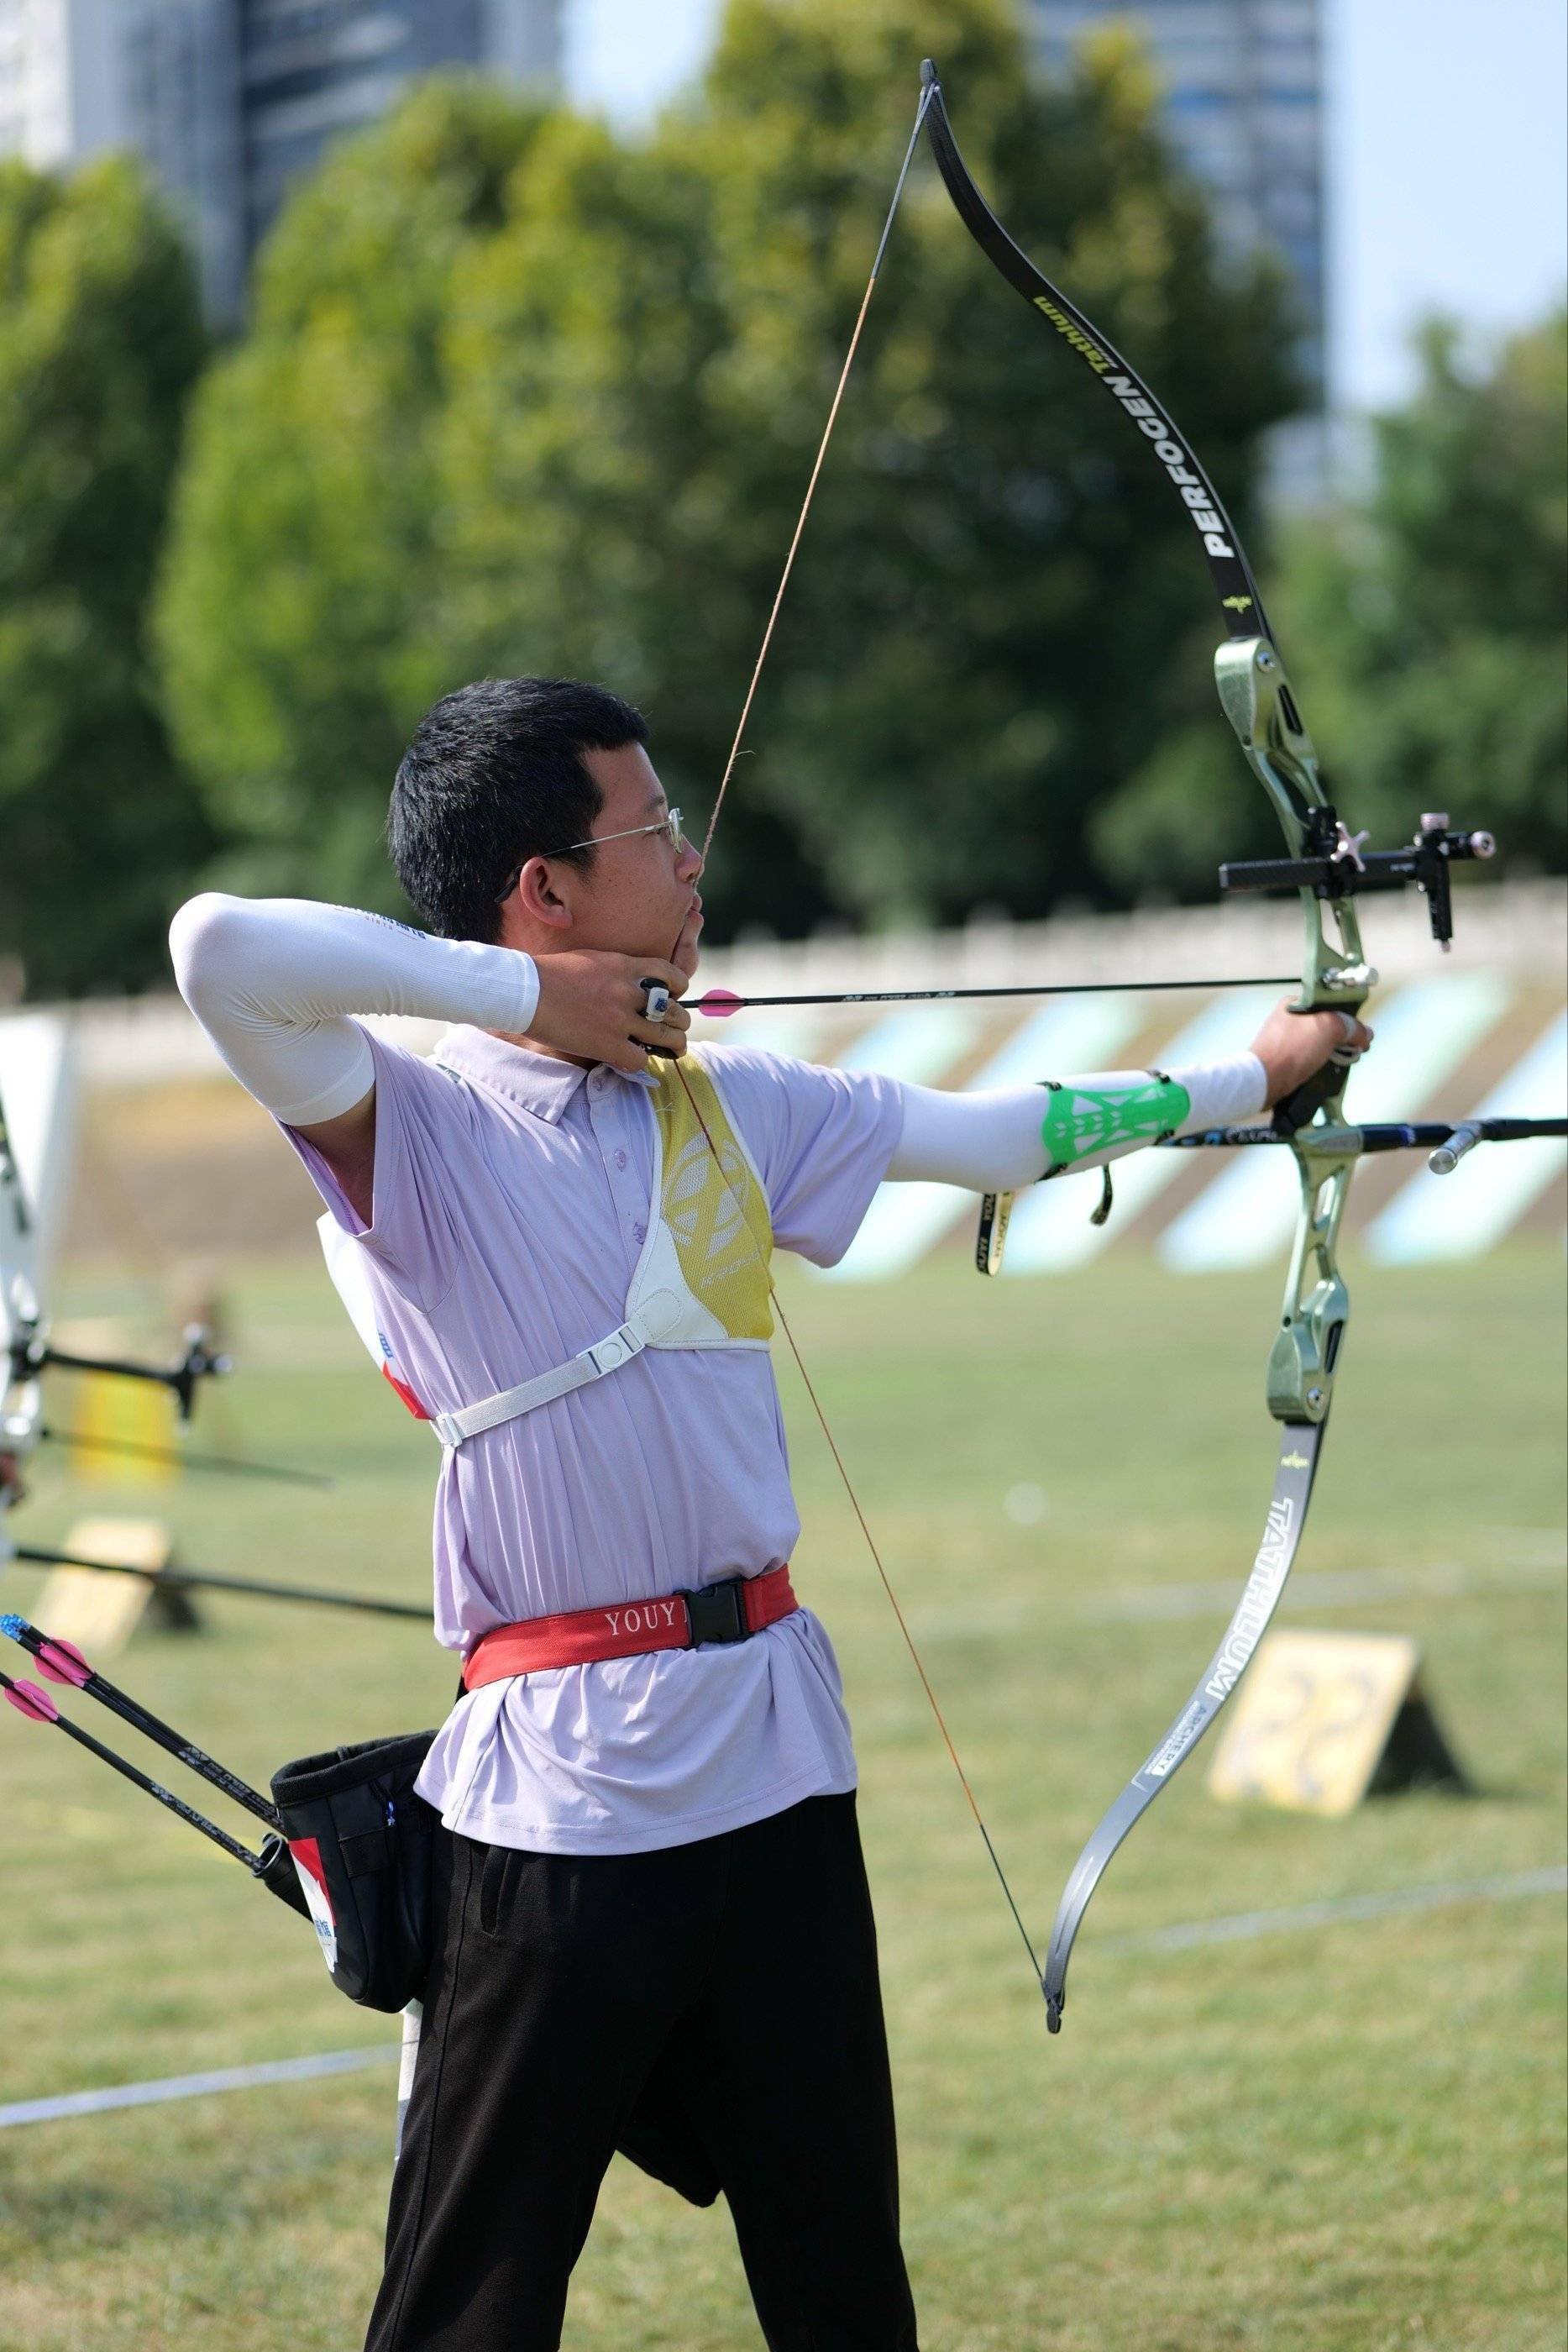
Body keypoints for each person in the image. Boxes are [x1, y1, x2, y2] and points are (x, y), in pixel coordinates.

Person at [170, 675, 1371, 2352]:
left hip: (778, 1764)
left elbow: (1001, 1132)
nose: (691, 859)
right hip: (564, 1799)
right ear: (545, 887)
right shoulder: (410, 1124)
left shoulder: (728, 1100)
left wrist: (1248, 1077)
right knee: (469, 2298)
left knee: (839, 2283)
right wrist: (533, 998)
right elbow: (218, 940)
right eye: (653, 829)